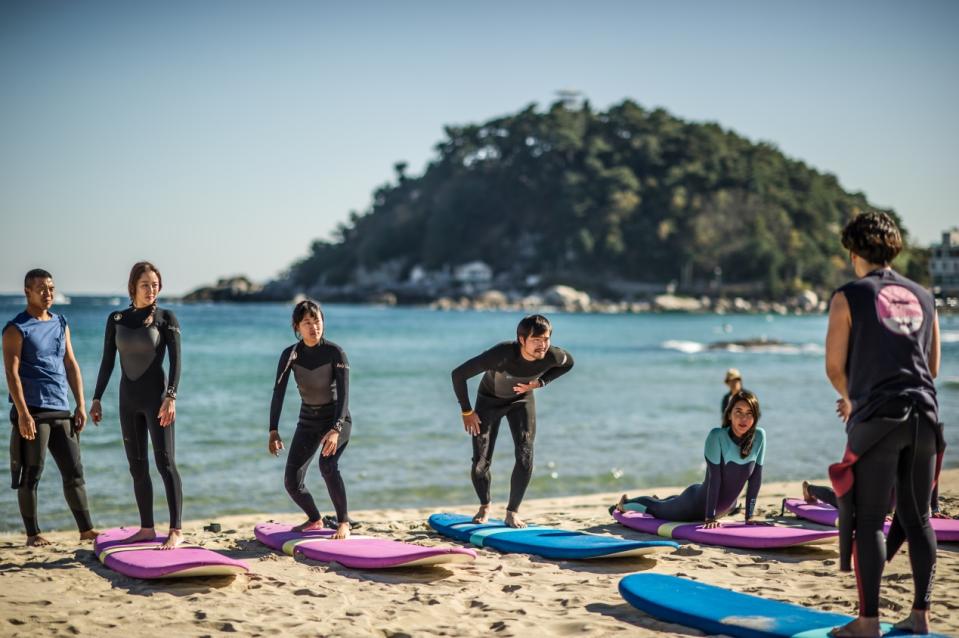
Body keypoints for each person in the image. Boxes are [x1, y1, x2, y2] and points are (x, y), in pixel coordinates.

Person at [824, 211, 942, 637]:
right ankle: (921, 616)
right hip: (925, 419)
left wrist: (853, 398)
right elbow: (932, 366)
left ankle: (869, 621)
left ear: (855, 251)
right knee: (919, 520)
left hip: (879, 420)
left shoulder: (848, 296)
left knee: (870, 519)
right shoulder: (924, 296)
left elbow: (834, 366)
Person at [90, 262, 184, 549]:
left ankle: (176, 530)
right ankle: (146, 528)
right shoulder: (116, 318)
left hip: (158, 399)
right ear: (133, 287)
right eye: (145, 285)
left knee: (165, 463)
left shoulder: (166, 317)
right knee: (137, 466)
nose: (151, 290)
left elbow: (177, 360)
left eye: (155, 284)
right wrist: (96, 397)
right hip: (127, 400)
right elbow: (107, 361)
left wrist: (171, 396)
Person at [2, 269, 97, 546]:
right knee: (31, 474)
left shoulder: (61, 322)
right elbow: (12, 374)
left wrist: (80, 403)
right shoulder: (15, 328)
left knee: (74, 472)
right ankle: (33, 535)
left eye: (52, 289)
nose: (48, 294)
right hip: (33, 412)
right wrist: (22, 413)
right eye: (42, 289)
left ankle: (86, 530)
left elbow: (70, 364)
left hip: (61, 408)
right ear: (27, 292)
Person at [451, 314, 574, 528]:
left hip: (521, 401)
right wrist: (467, 411)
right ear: (521, 339)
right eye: (536, 340)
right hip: (489, 402)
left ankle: (512, 511)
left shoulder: (553, 356)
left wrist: (541, 382)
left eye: (546, 339)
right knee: (480, 461)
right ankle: (485, 505)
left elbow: (568, 363)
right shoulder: (501, 354)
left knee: (526, 454)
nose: (542, 345)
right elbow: (458, 374)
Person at [614, 389, 767, 528]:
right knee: (657, 509)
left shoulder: (759, 437)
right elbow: (715, 479)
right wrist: (710, 517)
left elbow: (755, 479)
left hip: (724, 508)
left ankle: (667, 501)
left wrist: (749, 516)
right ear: (729, 414)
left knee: (670, 504)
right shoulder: (717, 436)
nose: (743, 418)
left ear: (755, 416)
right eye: (738, 412)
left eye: (749, 413)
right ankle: (626, 503)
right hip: (695, 504)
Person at [268, 299, 352, 540]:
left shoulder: (336, 352)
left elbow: (345, 395)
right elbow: (278, 392)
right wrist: (273, 430)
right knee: (291, 481)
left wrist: (336, 429)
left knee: (327, 465)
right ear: (297, 327)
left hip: (338, 418)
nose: (314, 327)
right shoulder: (290, 355)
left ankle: (343, 521)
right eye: (307, 322)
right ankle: (315, 519)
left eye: (317, 321)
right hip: (308, 421)